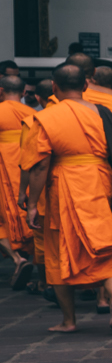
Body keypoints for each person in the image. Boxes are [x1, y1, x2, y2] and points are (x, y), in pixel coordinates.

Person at [20, 64, 112, 333]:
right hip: (100, 177)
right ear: (86, 86)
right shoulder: (101, 112)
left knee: (59, 246)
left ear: (54, 87)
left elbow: (40, 165)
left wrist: (32, 203)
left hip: (65, 180)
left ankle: (69, 320)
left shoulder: (46, 117)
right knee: (105, 241)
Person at [0, 76, 37, 286]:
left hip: (3, 172)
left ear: (0, 91)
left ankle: (17, 259)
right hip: (29, 170)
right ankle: (36, 263)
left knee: (2, 219)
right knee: (31, 214)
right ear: (24, 93)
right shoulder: (32, 114)